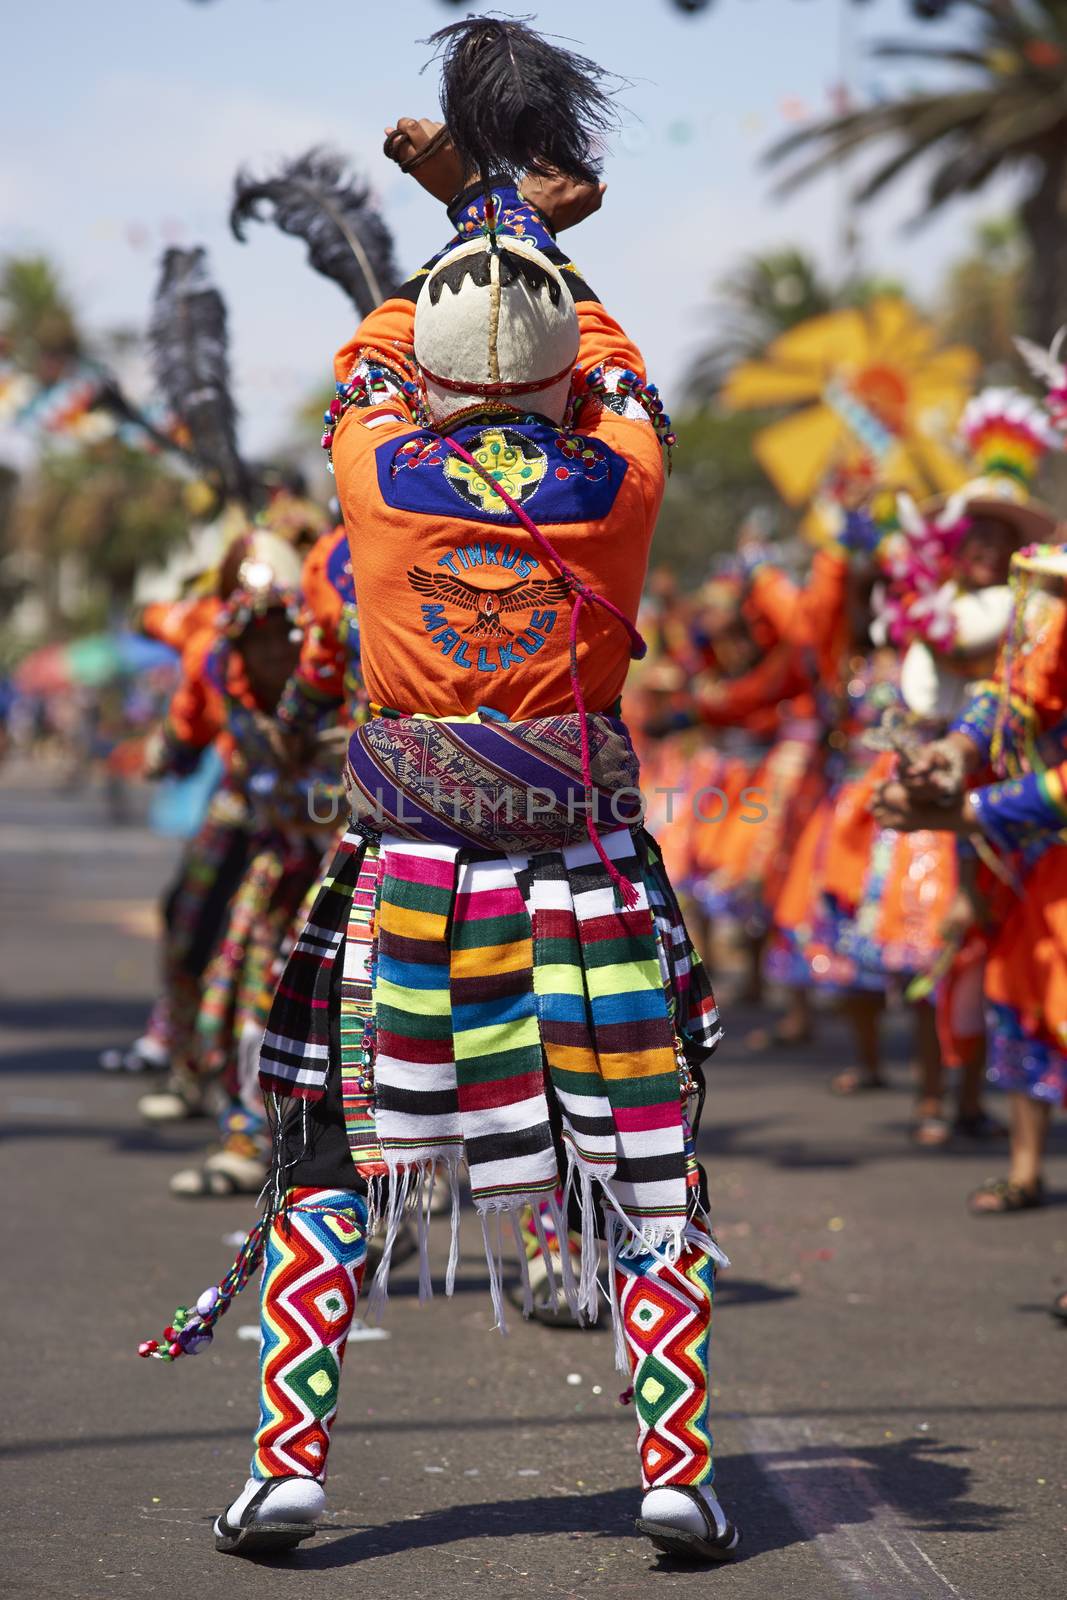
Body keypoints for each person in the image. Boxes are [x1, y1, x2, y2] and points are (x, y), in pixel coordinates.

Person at [144, 20, 739, 1566]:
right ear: (561, 365)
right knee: (650, 1162)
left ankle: (290, 1468)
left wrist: (474, 212)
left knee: (337, 1156)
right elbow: (618, 372)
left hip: (409, 885)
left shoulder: (372, 471)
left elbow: (378, 352)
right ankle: (675, 1472)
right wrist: (522, 223)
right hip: (588, 878)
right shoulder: (624, 483)